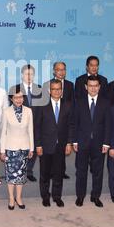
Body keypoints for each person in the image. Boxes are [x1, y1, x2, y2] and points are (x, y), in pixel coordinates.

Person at [72, 75, 111, 208]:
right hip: (82, 142)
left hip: (99, 144)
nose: (93, 88)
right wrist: (75, 141)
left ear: (99, 87)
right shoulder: (79, 102)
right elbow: (74, 123)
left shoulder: (106, 102)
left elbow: (108, 125)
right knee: (81, 171)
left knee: (98, 171)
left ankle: (95, 196)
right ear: (86, 87)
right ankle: (80, 196)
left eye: (96, 86)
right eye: (91, 86)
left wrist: (106, 143)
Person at [35, 79, 73, 208]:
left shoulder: (68, 105)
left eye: (59, 89)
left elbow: (70, 125)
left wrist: (69, 143)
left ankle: (57, 197)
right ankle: (45, 197)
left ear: (61, 91)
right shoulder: (42, 105)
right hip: (45, 145)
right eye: (54, 89)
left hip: (61, 145)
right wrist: (38, 145)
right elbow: (37, 127)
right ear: (49, 91)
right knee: (44, 173)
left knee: (58, 172)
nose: (56, 91)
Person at [8, 64, 45, 182]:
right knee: (20, 147)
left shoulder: (39, 88)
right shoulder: (15, 88)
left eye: (31, 74)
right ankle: (20, 170)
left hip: (36, 123)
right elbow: (11, 108)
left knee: (32, 148)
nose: (29, 76)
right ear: (22, 75)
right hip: (19, 124)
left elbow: (42, 107)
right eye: (26, 74)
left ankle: (29, 171)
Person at [0, 86, 34, 210]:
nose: (19, 100)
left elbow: (30, 130)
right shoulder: (6, 111)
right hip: (10, 148)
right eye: (16, 97)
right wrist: (2, 150)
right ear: (11, 98)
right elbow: (3, 132)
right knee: (11, 175)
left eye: (21, 97)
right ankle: (10, 198)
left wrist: (31, 148)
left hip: (24, 148)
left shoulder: (28, 111)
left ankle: (19, 197)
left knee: (21, 175)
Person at [42, 61, 74, 179]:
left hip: (63, 121)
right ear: (54, 71)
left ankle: (61, 171)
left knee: (61, 152)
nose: (61, 72)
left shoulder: (70, 85)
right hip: (50, 121)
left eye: (63, 69)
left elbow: (72, 102)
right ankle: (50, 171)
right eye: (58, 69)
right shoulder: (47, 84)